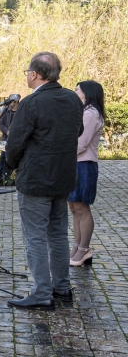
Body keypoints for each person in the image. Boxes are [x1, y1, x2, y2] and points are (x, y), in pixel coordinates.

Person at [5, 52, 83, 310]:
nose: (27, 76)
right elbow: (79, 131)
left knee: (35, 237)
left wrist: (13, 166)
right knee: (58, 234)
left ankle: (41, 293)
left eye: (27, 72)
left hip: (36, 180)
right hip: (63, 178)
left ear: (35, 74)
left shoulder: (31, 103)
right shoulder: (72, 99)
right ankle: (62, 288)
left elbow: (14, 143)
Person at [68, 80, 105, 267]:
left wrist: (62, 154)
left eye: (77, 89)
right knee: (74, 208)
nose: (74, 91)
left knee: (82, 208)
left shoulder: (91, 113)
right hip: (75, 163)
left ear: (87, 92)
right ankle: (76, 246)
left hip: (84, 165)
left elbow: (81, 143)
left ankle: (84, 249)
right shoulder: (84, 111)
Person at [0, 96, 20, 184]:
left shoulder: (21, 111)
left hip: (18, 139)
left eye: (11, 101)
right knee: (3, 157)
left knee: (17, 158)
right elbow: (1, 124)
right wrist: (7, 131)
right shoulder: (5, 111)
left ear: (16, 101)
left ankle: (14, 177)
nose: (9, 103)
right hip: (6, 138)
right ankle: (1, 176)